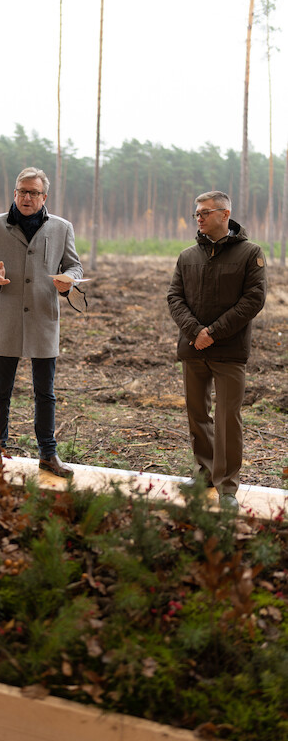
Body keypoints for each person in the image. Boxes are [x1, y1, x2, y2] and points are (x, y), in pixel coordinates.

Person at [0, 166, 83, 477]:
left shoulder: (61, 227)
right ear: (14, 193)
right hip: (5, 319)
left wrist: (69, 280)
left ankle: (48, 454)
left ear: (44, 196)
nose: (27, 197)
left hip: (44, 319)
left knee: (45, 392)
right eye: (22, 191)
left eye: (33, 192)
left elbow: (74, 266)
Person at [167, 191, 267, 510]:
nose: (198, 218)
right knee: (198, 415)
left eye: (205, 213)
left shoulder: (250, 254)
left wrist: (214, 332)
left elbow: (254, 299)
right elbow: (175, 297)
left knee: (227, 419)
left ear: (224, 215)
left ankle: (227, 487)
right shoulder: (187, 256)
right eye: (196, 213)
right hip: (193, 348)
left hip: (230, 351)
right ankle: (205, 474)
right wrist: (196, 332)